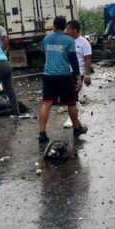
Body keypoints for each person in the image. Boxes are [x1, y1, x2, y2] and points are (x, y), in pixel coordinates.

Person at [39, 16, 84, 144]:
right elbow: (73, 60)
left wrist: (49, 62)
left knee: (46, 103)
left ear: (53, 25)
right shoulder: (69, 40)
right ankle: (76, 128)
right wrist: (77, 77)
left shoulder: (46, 39)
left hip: (48, 75)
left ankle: (42, 133)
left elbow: (42, 54)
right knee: (71, 103)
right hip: (64, 75)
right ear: (64, 27)